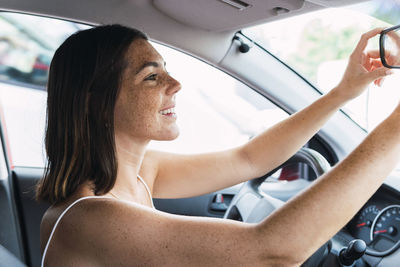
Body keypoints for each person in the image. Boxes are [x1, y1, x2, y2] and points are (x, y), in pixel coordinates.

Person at [37, 24, 397, 266]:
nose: (175, 83)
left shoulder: (140, 172)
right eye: (151, 76)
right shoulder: (88, 218)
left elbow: (249, 158)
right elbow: (271, 251)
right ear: (95, 102)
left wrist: (343, 92)